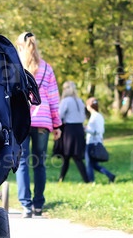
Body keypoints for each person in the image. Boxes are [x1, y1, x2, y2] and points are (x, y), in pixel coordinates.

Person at [15, 32, 62, 217]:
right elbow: (53, 98)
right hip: (43, 121)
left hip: (22, 119)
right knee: (39, 163)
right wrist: (57, 124)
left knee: (22, 162)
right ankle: (39, 205)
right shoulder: (47, 68)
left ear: (20, 46)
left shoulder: (16, 67)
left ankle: (26, 205)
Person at [57, 81, 89, 183]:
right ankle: (61, 178)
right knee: (74, 156)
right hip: (79, 129)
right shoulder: (80, 101)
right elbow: (83, 116)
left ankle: (86, 180)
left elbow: (59, 115)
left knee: (69, 155)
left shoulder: (65, 101)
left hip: (69, 130)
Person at [85, 97, 116, 183]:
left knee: (89, 163)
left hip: (92, 142)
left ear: (89, 106)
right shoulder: (99, 116)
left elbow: (98, 131)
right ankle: (110, 175)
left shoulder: (95, 117)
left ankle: (91, 181)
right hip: (96, 141)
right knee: (94, 164)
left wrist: (86, 129)